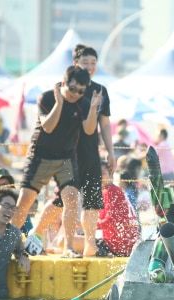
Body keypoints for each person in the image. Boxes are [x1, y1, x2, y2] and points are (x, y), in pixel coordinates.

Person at [29, 45, 115, 257]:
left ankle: (89, 244)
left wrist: (111, 152)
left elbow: (104, 125)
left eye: (93, 63)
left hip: (91, 151)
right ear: (75, 64)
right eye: (85, 63)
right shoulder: (65, 88)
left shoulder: (101, 90)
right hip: (69, 152)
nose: (90, 67)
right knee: (63, 199)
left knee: (93, 199)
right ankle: (36, 232)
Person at [11, 65, 101, 258]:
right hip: (40, 156)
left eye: (81, 91)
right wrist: (59, 103)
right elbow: (48, 127)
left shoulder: (83, 103)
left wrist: (93, 108)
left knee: (72, 198)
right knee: (25, 200)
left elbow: (89, 129)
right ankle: (6, 241)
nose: (76, 94)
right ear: (64, 82)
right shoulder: (47, 97)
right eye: (73, 89)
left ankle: (68, 247)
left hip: (66, 158)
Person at [97, 162, 140, 256]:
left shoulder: (111, 191)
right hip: (123, 244)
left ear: (110, 174)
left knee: (63, 242)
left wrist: (89, 226)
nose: (99, 176)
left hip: (117, 246)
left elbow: (110, 220)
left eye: (103, 173)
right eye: (97, 173)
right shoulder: (110, 190)